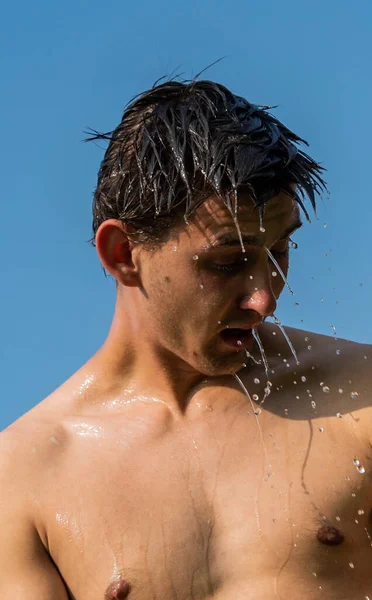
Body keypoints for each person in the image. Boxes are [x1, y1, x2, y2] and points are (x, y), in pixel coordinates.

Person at [1, 80, 371, 600]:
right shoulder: (22, 479)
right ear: (123, 252)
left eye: (281, 251)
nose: (264, 299)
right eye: (226, 263)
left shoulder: (359, 396)